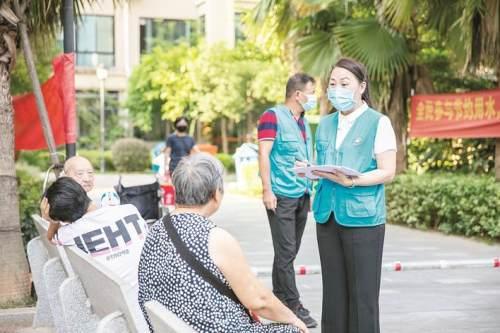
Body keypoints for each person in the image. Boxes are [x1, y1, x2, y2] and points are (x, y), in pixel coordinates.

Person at [138, 153, 308, 333]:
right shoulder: (215, 238)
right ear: (215, 194)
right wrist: (294, 319)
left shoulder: (155, 230)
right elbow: (259, 300)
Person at [312, 58, 397, 333]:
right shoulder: (324, 124)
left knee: (363, 298)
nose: (337, 89)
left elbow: (387, 171)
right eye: (333, 84)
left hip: (364, 219)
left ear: (362, 87)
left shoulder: (378, 122)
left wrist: (353, 181)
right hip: (327, 215)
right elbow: (322, 162)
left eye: (345, 83)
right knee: (333, 295)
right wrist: (311, 171)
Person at [43, 177, 149, 332]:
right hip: (149, 305)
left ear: (65, 218)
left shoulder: (69, 233)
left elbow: (51, 237)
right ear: (82, 192)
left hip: (114, 311)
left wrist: (52, 220)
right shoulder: (129, 210)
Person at [257, 73, 317, 328]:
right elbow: (263, 153)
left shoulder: (303, 121)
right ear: (298, 94)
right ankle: (293, 304)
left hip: (302, 195)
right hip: (281, 195)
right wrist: (267, 190)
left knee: (288, 252)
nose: (314, 98)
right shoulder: (272, 116)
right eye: (311, 93)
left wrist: (312, 189)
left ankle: (279, 298)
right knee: (285, 252)